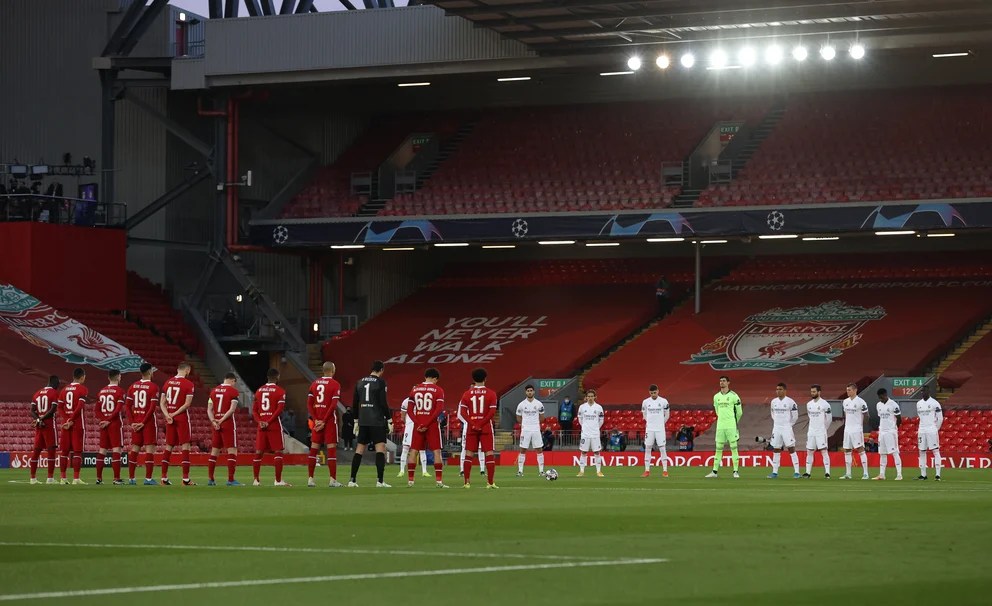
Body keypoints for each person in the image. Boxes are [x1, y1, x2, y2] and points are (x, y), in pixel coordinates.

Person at [349, 360, 392, 488]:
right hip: (376, 420)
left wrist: (356, 420)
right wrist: (389, 419)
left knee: (359, 449)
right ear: (382, 370)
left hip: (363, 420)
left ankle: (352, 480)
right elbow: (383, 403)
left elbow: (354, 403)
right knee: (380, 449)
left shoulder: (359, 382)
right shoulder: (380, 382)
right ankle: (380, 481)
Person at [406, 368, 448, 488]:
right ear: (435, 378)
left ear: (425, 377)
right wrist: (427, 423)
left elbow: (409, 410)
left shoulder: (415, 389)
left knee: (413, 451)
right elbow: (439, 409)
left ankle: (410, 481)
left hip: (418, 424)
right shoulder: (438, 390)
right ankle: (439, 481)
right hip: (432, 425)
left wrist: (418, 423)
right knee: (436, 451)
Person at [458, 368, 498, 489]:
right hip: (485, 427)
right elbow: (492, 412)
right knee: (489, 453)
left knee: (468, 453)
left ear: (473, 379)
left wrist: (473, 423)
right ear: (485, 378)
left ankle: (466, 482)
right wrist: (481, 423)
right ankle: (490, 483)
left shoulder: (467, 394)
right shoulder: (491, 393)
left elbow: (463, 412)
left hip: (471, 427)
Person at [252, 368, 292, 487]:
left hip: (261, 425)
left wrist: (260, 421)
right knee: (278, 451)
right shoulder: (280, 391)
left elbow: (254, 410)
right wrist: (268, 422)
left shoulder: (259, 391)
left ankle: (256, 480)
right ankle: (278, 481)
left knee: (259, 452)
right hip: (273, 424)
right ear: (277, 377)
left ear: (267, 377)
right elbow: (279, 410)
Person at [306, 362, 343, 488]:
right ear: (333, 370)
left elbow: (309, 404)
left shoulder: (314, 384)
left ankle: (310, 479)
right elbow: (333, 405)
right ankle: (332, 480)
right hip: (329, 421)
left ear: (323, 370)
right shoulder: (335, 384)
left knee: (314, 448)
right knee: (331, 449)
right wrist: (324, 420)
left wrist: (316, 419)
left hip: (317, 421)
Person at [160, 362, 196, 486]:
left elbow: (162, 403)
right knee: (185, 446)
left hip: (169, 417)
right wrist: (174, 414)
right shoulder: (189, 384)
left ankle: (164, 478)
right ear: (188, 370)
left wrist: (167, 415)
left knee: (168, 446)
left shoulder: (167, 382)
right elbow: (187, 404)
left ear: (177, 369)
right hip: (181, 417)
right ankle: (185, 479)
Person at [126, 363, 160, 485]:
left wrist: (133, 422)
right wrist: (143, 422)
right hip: (148, 422)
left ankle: (131, 478)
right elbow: (152, 408)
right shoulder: (153, 387)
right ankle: (148, 479)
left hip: (136, 422)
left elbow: (128, 406)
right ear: (150, 372)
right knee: (150, 449)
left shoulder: (133, 386)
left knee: (135, 448)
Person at [207, 373, 242, 487]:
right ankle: (231, 480)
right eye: (234, 383)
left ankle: (211, 480)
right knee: (232, 451)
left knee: (214, 452)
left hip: (215, 423)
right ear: (232, 380)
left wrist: (214, 421)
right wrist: (221, 421)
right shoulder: (233, 392)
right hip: (227, 424)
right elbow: (232, 410)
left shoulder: (213, 391)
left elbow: (209, 409)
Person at [705, 376, 742, 479]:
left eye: (724, 381)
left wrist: (733, 422)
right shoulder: (716, 397)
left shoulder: (734, 396)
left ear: (728, 383)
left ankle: (735, 471)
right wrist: (722, 420)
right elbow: (717, 411)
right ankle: (714, 471)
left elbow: (739, 412)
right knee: (718, 448)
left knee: (734, 448)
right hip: (720, 426)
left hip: (731, 425)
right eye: (720, 381)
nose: (722, 382)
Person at [94, 370, 126, 485]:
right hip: (114, 423)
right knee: (117, 449)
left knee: (102, 450)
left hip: (104, 424)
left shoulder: (101, 391)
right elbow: (118, 409)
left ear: (108, 378)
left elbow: (96, 409)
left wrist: (103, 419)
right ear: (118, 377)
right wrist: (108, 420)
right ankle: (116, 478)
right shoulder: (120, 391)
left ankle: (99, 478)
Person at [57, 368, 88, 485]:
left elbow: (59, 407)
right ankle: (76, 478)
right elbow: (80, 406)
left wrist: (66, 419)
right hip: (77, 424)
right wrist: (71, 420)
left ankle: (63, 478)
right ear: (82, 377)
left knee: (64, 452)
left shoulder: (64, 390)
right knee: (77, 452)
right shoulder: (82, 389)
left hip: (65, 425)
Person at [29, 376, 60, 484]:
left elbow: (32, 410)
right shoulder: (54, 393)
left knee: (36, 451)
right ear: (55, 383)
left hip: (39, 425)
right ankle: (50, 478)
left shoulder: (37, 393)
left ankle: (32, 478)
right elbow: (53, 409)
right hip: (49, 425)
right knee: (51, 450)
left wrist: (38, 419)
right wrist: (42, 419)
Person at [767, 382, 801, 479]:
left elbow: (795, 417)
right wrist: (778, 423)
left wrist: (788, 425)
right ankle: (774, 472)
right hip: (776, 428)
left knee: (791, 448)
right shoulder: (773, 402)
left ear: (785, 390)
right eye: (777, 389)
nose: (778, 391)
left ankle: (797, 471)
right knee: (776, 448)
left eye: (780, 389)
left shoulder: (791, 402)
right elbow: (772, 413)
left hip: (786, 428)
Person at [841, 383, 870, 480]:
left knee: (860, 449)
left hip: (857, 429)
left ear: (855, 390)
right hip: (847, 429)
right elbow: (845, 414)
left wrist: (860, 426)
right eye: (847, 390)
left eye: (849, 390)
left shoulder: (861, 402)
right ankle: (848, 473)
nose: (847, 391)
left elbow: (866, 415)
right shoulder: (845, 402)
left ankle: (866, 473)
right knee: (847, 450)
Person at [515, 385, 546, 477]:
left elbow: (542, 416)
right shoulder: (521, 404)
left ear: (534, 392)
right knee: (523, 449)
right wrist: (525, 424)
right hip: (525, 430)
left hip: (536, 429)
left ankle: (541, 471)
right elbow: (518, 416)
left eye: (531, 390)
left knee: (539, 449)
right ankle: (520, 471)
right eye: (528, 391)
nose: (529, 392)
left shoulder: (539, 404)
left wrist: (535, 423)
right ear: (526, 392)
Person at [397, 394, 430, 479]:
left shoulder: (422, 401)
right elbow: (403, 416)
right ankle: (401, 471)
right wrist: (408, 424)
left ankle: (424, 471)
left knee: (422, 449)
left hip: (419, 427)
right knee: (405, 448)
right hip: (409, 427)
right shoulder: (406, 401)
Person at [802, 384, 832, 479]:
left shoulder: (825, 404)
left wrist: (823, 428)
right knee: (809, 451)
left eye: (814, 392)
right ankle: (807, 472)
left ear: (819, 392)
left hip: (821, 431)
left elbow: (829, 419)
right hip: (811, 431)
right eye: (811, 392)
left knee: (823, 451)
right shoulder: (809, 404)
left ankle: (827, 472)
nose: (812, 393)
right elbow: (810, 417)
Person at [641, 384, 670, 478]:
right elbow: (644, 414)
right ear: (649, 393)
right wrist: (649, 422)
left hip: (660, 429)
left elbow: (667, 414)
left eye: (655, 392)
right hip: (649, 429)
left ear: (658, 391)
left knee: (662, 448)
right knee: (648, 448)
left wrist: (661, 423)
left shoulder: (663, 401)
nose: (653, 394)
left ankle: (665, 471)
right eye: (652, 393)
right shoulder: (645, 402)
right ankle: (647, 470)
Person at [873, 388, 903, 480]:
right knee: (882, 453)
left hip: (890, 431)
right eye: (879, 398)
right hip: (882, 432)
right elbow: (881, 417)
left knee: (894, 452)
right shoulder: (878, 405)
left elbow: (899, 418)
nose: (880, 399)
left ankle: (899, 474)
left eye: (881, 397)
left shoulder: (893, 405)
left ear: (885, 394)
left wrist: (894, 428)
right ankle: (882, 474)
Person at [916, 386, 943, 481]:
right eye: (921, 391)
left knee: (935, 451)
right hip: (922, 430)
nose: (922, 392)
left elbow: (940, 418)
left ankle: (937, 475)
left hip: (931, 429)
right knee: (921, 451)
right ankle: (923, 475)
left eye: (924, 391)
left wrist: (936, 429)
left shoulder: (935, 403)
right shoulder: (918, 403)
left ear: (928, 391)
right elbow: (920, 417)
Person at [576, 389, 605, 477]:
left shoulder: (599, 407)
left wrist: (596, 428)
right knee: (583, 452)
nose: (590, 398)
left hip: (595, 433)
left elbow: (601, 420)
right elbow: (580, 419)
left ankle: (598, 471)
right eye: (588, 396)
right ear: (586, 397)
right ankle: (581, 471)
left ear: (595, 397)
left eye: (592, 396)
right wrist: (584, 427)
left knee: (597, 452)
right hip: (585, 433)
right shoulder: (582, 407)